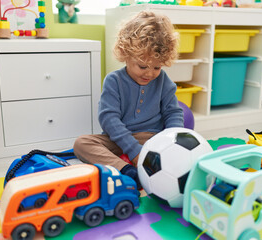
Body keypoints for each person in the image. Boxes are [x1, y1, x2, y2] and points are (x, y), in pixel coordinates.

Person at [73, 10, 184, 189]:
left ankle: (140, 166)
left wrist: (173, 141)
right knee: (81, 144)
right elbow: (109, 119)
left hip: (152, 138)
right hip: (118, 138)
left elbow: (173, 112)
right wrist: (133, 151)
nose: (149, 73)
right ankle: (126, 170)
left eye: (157, 67)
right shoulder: (114, 80)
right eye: (142, 66)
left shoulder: (164, 82)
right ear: (126, 54)